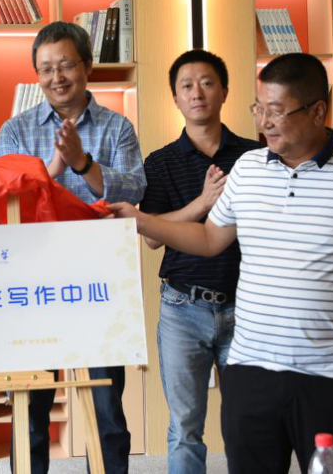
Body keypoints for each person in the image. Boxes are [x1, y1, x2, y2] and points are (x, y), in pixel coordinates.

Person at [109, 53, 333, 474]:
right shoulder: (247, 168)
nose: (264, 122)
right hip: (249, 371)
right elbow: (210, 239)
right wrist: (140, 221)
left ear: (317, 111)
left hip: (331, 374)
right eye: (259, 108)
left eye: (277, 111)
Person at [0, 21, 146, 474]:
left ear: (87, 67)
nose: (56, 77)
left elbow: (134, 189)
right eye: (45, 69)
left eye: (65, 65)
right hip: (32, 285)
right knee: (31, 408)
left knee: (106, 408)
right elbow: (3, 198)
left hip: (100, 283)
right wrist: (54, 169)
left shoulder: (118, 127)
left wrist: (82, 163)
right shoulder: (16, 129)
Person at [139, 50, 261, 474]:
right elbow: (152, 236)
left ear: (224, 91)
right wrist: (202, 203)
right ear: (174, 97)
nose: (197, 93)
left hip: (247, 306)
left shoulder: (254, 157)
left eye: (207, 83)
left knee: (248, 422)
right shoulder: (160, 162)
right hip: (183, 308)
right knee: (185, 425)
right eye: (186, 86)